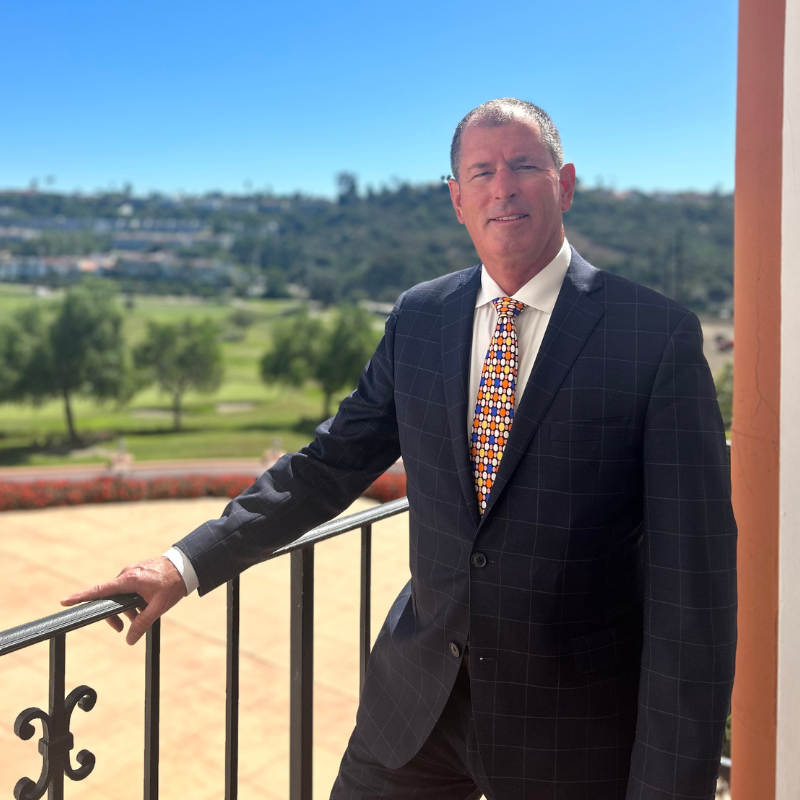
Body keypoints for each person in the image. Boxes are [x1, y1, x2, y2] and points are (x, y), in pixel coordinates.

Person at [63, 98, 737, 800]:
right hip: (416, 709)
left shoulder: (655, 338)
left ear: (564, 183)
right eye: (480, 171)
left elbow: (697, 591)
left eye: (523, 166)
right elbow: (327, 468)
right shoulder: (421, 318)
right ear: (456, 199)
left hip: (568, 730)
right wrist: (183, 564)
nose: (501, 186)